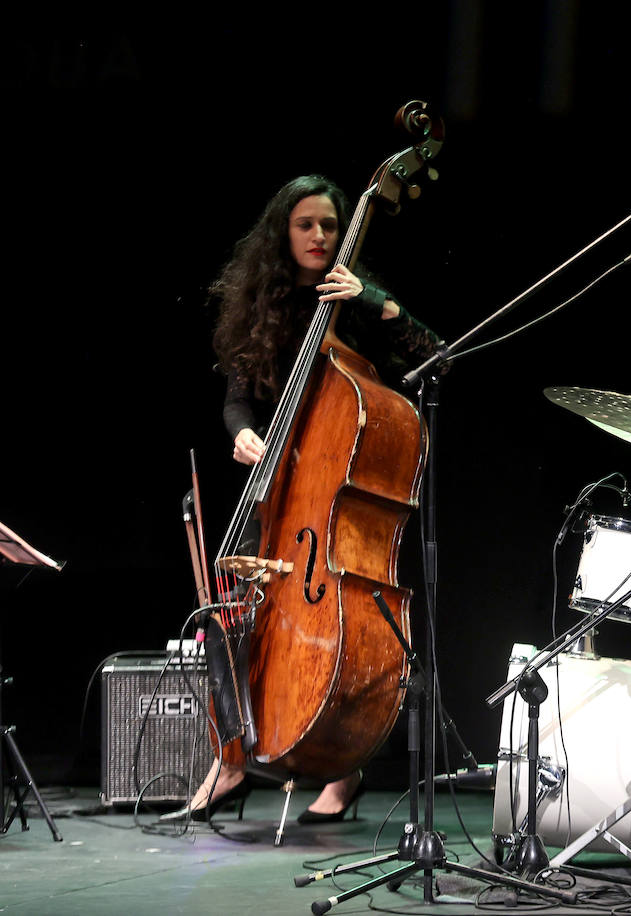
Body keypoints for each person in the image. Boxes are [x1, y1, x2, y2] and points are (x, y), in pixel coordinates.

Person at [180, 174, 442, 824]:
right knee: (224, 608)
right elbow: (237, 396)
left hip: (330, 504)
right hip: (274, 495)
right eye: (307, 225)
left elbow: (435, 357)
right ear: (283, 232)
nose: (320, 236)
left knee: (339, 627)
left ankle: (342, 767)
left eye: (329, 224)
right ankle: (234, 756)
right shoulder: (259, 305)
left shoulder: (351, 302)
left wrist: (377, 301)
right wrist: (242, 433)